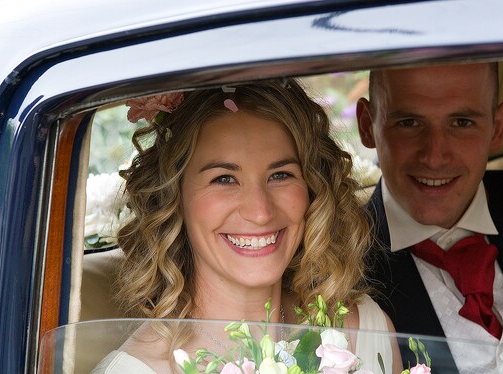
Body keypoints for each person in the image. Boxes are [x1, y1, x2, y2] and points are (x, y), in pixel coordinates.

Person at [92, 79, 402, 373]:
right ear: (173, 197)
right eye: (224, 179)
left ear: (311, 188)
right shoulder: (135, 369)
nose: (260, 212)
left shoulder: (364, 334)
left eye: (280, 175)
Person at [357, 62, 503, 372]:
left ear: (497, 128)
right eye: (408, 122)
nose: (434, 156)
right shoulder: (337, 264)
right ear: (368, 125)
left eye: (461, 122)